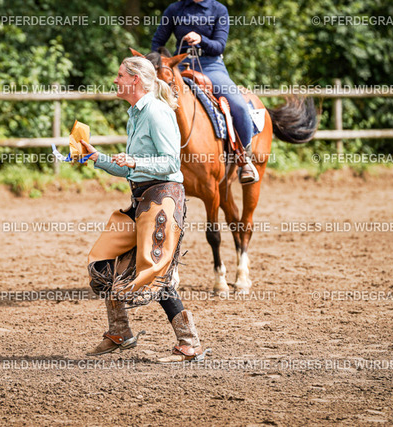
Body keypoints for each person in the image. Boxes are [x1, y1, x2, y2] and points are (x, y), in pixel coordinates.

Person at [80, 56, 205, 363]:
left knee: (155, 274)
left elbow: (170, 162)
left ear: (135, 80)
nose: (115, 80)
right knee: (104, 260)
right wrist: (96, 157)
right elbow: (130, 169)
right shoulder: (136, 114)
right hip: (143, 200)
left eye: (120, 75)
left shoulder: (156, 112)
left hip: (163, 199)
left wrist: (136, 161)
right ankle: (120, 332)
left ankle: (189, 344)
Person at [151, 0, 258, 184]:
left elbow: (220, 46)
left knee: (239, 105)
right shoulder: (175, 9)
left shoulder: (219, 10)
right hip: (179, 65)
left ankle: (244, 159)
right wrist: (159, 64)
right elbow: (157, 42)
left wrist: (201, 39)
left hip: (211, 66)